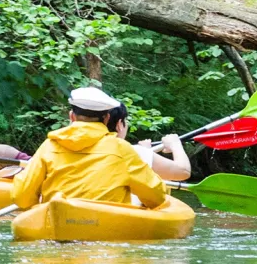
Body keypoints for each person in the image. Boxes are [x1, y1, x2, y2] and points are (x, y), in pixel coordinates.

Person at [11, 87, 167, 209]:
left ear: (71, 116)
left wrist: (35, 207)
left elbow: (21, 196)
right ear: (106, 118)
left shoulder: (49, 145)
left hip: (54, 224)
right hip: (103, 227)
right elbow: (156, 197)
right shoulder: (121, 149)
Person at [105, 104, 191, 181]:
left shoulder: (94, 146)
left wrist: (146, 152)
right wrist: (175, 144)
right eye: (126, 121)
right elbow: (183, 171)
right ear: (119, 124)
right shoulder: (132, 152)